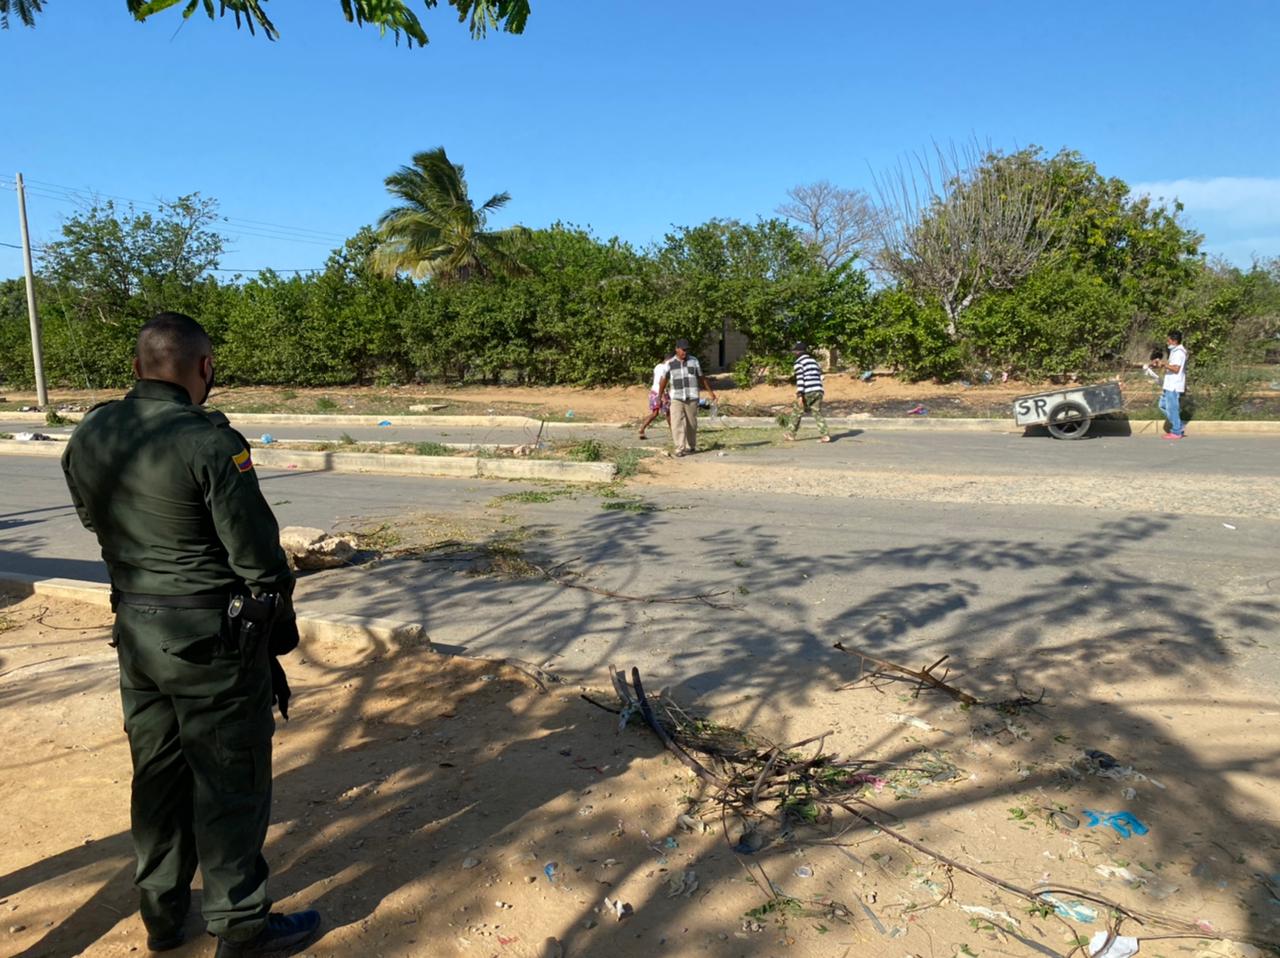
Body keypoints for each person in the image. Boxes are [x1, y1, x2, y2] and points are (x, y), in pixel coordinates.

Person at [61, 312, 321, 957]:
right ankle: (241, 926)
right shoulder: (210, 441)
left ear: (136, 368)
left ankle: (162, 915)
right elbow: (258, 557)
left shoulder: (91, 432)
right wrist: (272, 619)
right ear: (204, 368)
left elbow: (95, 520)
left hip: (136, 632)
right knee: (229, 781)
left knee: (157, 774)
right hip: (208, 638)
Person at [657, 338, 717, 457]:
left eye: (687, 350)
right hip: (676, 397)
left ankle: (691, 446)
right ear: (677, 349)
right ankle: (679, 448)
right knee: (676, 422)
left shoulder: (694, 361)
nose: (685, 352)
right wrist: (660, 395)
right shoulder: (670, 363)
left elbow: (701, 377)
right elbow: (664, 380)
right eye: (683, 350)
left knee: (691, 423)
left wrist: (710, 392)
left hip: (692, 396)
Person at [783, 342, 831, 443]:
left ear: (797, 352)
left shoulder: (799, 362)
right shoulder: (813, 361)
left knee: (797, 412)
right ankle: (825, 435)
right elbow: (821, 376)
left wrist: (800, 394)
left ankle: (790, 434)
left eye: (794, 351)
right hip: (819, 390)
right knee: (817, 412)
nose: (794, 353)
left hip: (808, 391)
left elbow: (800, 378)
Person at [1151, 329, 1189, 439]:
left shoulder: (1179, 352)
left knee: (1172, 408)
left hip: (1173, 385)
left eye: (1168, 340)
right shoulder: (1175, 351)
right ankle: (1179, 425)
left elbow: (1176, 369)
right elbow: (1172, 366)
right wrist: (1161, 364)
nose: (1167, 342)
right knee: (1162, 405)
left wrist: (1163, 364)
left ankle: (1176, 431)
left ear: (1174, 341)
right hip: (1169, 384)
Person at [638, 355, 673, 440]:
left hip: (654, 391)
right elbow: (662, 382)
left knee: (656, 413)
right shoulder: (666, 368)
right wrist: (663, 396)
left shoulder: (657, 366)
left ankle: (642, 429)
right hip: (660, 392)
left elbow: (655, 379)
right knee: (668, 413)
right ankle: (673, 431)